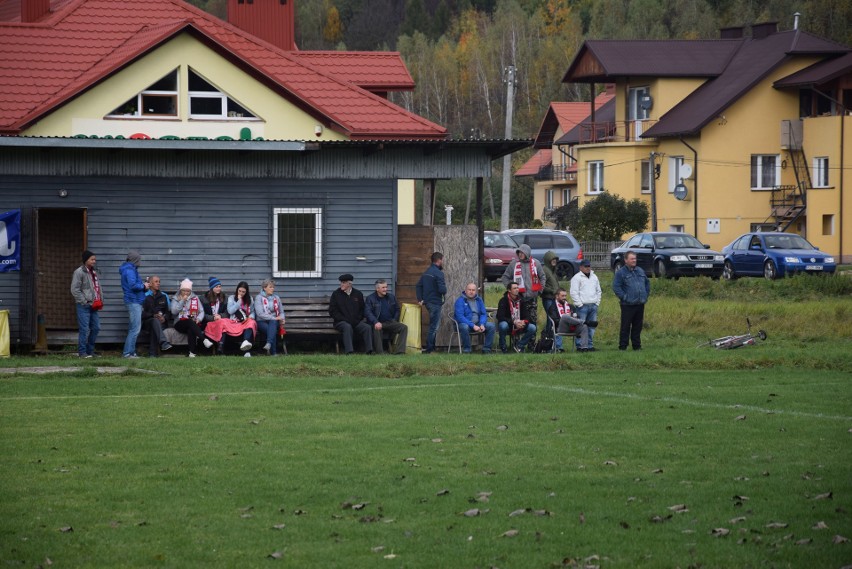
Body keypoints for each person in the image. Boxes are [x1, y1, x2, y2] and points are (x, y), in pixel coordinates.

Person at [501, 243, 545, 333]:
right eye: (519, 253)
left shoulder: (536, 263)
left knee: (532, 321)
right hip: (517, 299)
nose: (520, 255)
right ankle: (518, 343)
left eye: (522, 253)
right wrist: (511, 289)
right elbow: (505, 277)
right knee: (518, 321)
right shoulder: (514, 264)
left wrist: (540, 291)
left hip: (532, 298)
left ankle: (532, 345)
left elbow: (542, 276)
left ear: (527, 253)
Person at [612, 251, 650, 351]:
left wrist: (645, 295)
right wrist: (625, 297)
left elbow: (647, 283)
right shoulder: (621, 273)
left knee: (638, 326)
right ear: (626, 260)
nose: (634, 260)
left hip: (640, 303)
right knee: (625, 326)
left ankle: (636, 346)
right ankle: (623, 346)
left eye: (635, 258)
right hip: (627, 304)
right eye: (632, 259)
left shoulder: (640, 270)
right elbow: (616, 287)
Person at [329, 274, 372, 354]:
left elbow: (362, 309)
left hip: (355, 322)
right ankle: (349, 351)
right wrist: (344, 319)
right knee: (347, 327)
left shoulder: (358, 294)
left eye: (344, 283)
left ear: (350, 284)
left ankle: (369, 350)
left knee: (367, 327)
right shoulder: (336, 294)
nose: (341, 284)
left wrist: (357, 319)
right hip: (341, 322)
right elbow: (332, 311)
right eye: (341, 282)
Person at [70, 250, 102, 358]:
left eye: (95, 259)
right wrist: (84, 301)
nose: (94, 261)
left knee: (96, 327)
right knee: (84, 329)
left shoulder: (94, 272)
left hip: (94, 305)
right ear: (86, 260)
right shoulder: (79, 272)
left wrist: (100, 299)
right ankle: (82, 353)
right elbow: (74, 289)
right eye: (92, 259)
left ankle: (90, 351)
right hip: (84, 305)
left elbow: (97, 287)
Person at [119, 250, 149, 358]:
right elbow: (133, 286)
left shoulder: (130, 269)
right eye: (139, 260)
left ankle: (131, 352)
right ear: (135, 259)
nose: (140, 262)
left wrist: (144, 287)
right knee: (135, 329)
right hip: (133, 301)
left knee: (134, 328)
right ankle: (127, 353)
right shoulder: (129, 270)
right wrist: (144, 286)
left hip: (135, 301)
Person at [365, 279, 408, 355]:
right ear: (377, 289)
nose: (385, 289)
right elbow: (368, 313)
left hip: (390, 322)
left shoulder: (391, 297)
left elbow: (397, 309)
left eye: (386, 287)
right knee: (377, 328)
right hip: (378, 322)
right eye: (383, 287)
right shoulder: (370, 298)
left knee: (403, 327)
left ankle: (400, 351)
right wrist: (376, 322)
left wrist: (394, 319)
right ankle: (380, 353)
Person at [415, 252, 446, 354]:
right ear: (439, 260)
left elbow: (418, 286)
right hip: (435, 302)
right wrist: (444, 289)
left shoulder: (427, 272)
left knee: (433, 325)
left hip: (427, 302)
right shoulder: (439, 273)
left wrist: (420, 299)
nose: (443, 262)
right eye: (442, 260)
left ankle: (430, 348)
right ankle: (429, 349)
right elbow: (442, 290)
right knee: (434, 327)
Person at [452, 282, 495, 354]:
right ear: (465, 291)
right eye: (469, 290)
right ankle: (467, 350)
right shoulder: (460, 301)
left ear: (476, 291)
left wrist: (482, 324)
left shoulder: (479, 300)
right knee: (464, 326)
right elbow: (460, 317)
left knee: (491, 326)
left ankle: (486, 349)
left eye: (473, 290)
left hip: (478, 323)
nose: (471, 292)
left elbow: (483, 314)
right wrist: (473, 325)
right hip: (464, 324)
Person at [570, 259, 602, 351]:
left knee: (592, 327)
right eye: (586, 266)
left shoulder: (594, 277)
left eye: (589, 266)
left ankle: (589, 345)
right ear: (581, 267)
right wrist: (579, 304)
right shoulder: (576, 278)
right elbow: (573, 292)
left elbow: (598, 291)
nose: (588, 268)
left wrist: (597, 303)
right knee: (581, 326)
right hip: (582, 306)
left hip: (593, 305)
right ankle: (580, 346)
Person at [497, 282, 537, 353]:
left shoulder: (521, 300)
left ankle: (519, 346)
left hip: (520, 324)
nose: (517, 290)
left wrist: (523, 322)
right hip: (509, 324)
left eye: (517, 288)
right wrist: (513, 322)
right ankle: (503, 346)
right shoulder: (503, 300)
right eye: (514, 288)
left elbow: (527, 315)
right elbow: (500, 316)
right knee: (503, 325)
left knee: (532, 328)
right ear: (509, 290)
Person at [547, 287, 590, 352]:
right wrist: (567, 319)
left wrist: (573, 319)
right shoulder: (552, 307)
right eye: (562, 296)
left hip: (572, 327)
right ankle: (585, 321)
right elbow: (556, 321)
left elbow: (577, 317)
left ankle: (584, 348)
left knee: (584, 326)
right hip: (560, 328)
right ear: (557, 296)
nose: (564, 297)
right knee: (565, 317)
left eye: (565, 296)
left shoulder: (571, 306)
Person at [171, 278, 205, 357]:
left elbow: (202, 311)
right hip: (179, 323)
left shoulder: (195, 298)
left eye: (188, 291)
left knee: (191, 328)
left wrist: (199, 319)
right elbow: (173, 311)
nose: (186, 293)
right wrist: (182, 301)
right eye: (184, 290)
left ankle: (192, 353)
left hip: (192, 322)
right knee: (190, 322)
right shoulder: (176, 298)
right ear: (180, 290)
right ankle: (203, 339)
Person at [141, 275, 172, 357]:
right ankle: (163, 342)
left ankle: (152, 354)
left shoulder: (164, 296)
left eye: (159, 282)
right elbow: (141, 313)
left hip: (161, 323)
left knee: (156, 325)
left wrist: (164, 318)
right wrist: (153, 315)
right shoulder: (143, 296)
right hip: (148, 322)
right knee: (154, 322)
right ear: (150, 284)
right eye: (156, 282)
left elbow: (168, 312)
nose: (158, 283)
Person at [225, 281, 258, 355]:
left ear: (246, 292)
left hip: (245, 322)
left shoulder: (250, 299)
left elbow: (252, 311)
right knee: (250, 325)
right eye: (239, 291)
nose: (241, 293)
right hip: (234, 322)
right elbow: (230, 311)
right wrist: (238, 302)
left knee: (252, 323)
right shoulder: (231, 298)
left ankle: (246, 345)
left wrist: (251, 316)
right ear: (237, 290)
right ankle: (246, 350)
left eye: (243, 292)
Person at [255, 278, 286, 356]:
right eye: (270, 287)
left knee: (273, 325)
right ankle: (274, 353)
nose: (273, 289)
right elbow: (260, 313)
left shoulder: (277, 298)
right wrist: (274, 318)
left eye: (273, 287)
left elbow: (281, 312)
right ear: (264, 288)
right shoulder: (259, 298)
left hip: (274, 322)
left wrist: (282, 318)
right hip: (261, 321)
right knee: (272, 329)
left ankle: (268, 343)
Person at [540, 250, 560, 343]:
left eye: (555, 259)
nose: (554, 261)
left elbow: (555, 284)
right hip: (548, 298)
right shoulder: (545, 270)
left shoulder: (553, 271)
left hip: (554, 299)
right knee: (551, 319)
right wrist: (553, 291)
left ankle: (550, 340)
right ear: (548, 260)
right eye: (552, 259)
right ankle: (547, 339)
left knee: (552, 319)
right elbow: (542, 286)